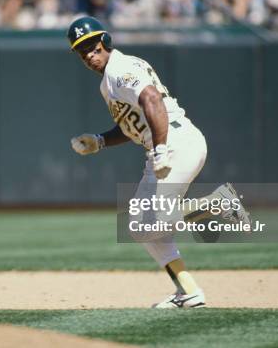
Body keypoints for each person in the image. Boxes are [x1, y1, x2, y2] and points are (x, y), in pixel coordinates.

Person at [67, 16, 251, 309]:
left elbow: (152, 99)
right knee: (141, 227)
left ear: (105, 41)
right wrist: (100, 140)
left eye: (92, 46)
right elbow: (133, 125)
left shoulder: (121, 69)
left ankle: (219, 204)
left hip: (174, 144)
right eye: (82, 51)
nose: (90, 54)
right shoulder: (110, 79)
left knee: (146, 225)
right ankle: (188, 291)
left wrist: (161, 150)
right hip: (167, 145)